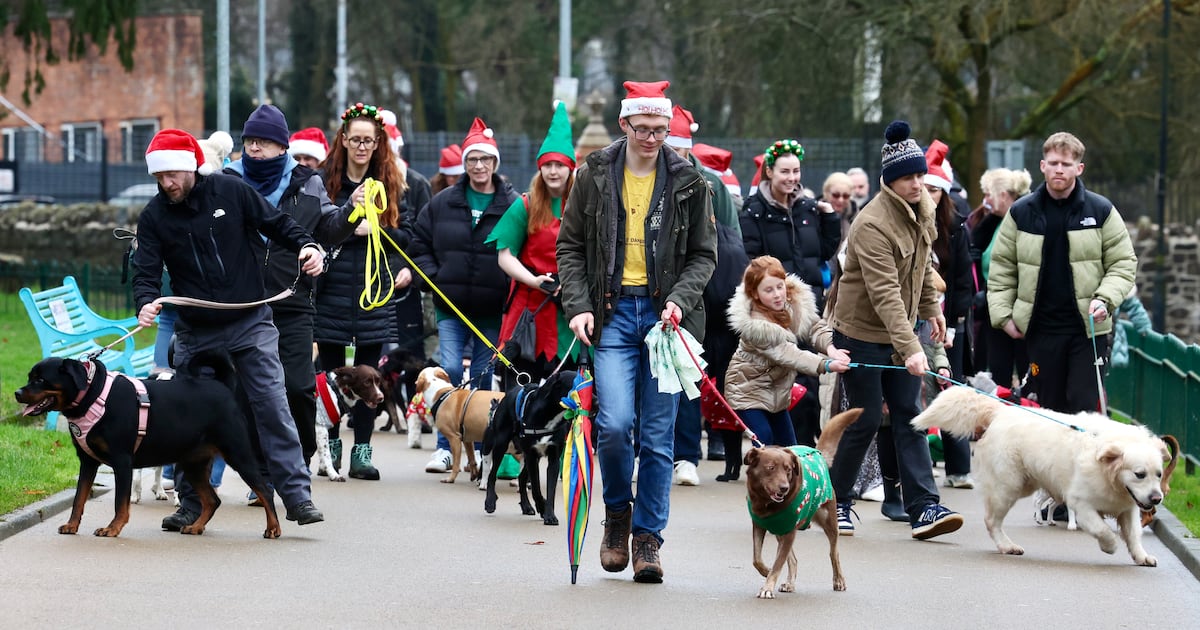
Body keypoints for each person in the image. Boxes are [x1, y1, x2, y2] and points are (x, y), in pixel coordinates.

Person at [556, 80, 717, 583]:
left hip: (667, 321)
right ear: (624, 125)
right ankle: (617, 515)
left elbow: (703, 255)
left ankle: (648, 539)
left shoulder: (690, 180)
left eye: (660, 129)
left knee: (657, 435)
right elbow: (570, 248)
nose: (651, 138)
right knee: (614, 423)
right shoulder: (595, 174)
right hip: (612, 315)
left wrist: (678, 300)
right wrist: (578, 306)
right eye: (642, 128)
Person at [131, 128, 326, 529]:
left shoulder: (230, 191)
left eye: (173, 174)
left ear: (191, 168)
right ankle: (190, 502)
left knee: (272, 405)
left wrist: (308, 246)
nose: (167, 183)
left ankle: (296, 496)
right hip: (196, 331)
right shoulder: (153, 217)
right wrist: (145, 302)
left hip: (250, 321)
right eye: (159, 176)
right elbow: (145, 271)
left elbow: (277, 224)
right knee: (188, 417)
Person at [826, 120, 963, 541]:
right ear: (889, 180)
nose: (918, 184)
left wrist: (931, 311)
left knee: (911, 417)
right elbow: (884, 293)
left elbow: (919, 272)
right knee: (865, 420)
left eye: (921, 176)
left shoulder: (923, 211)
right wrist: (911, 348)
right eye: (908, 177)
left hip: (901, 331)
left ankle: (923, 507)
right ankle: (837, 502)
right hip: (862, 333)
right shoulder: (872, 224)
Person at [223, 104, 359, 479]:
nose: (255, 148)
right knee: (244, 393)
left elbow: (329, 229)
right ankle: (260, 469)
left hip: (294, 302)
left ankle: (297, 458)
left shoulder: (308, 182)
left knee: (299, 389)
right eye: (250, 140)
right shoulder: (227, 180)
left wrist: (352, 211)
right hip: (241, 305)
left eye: (264, 142)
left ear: (282, 147)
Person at [987, 131, 1137, 414]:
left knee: (1083, 407)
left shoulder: (1101, 210)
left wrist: (1104, 299)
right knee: (1045, 411)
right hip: (1039, 331)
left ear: (1079, 168)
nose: (1059, 169)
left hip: (1087, 331)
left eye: (1066, 164)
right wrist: (1003, 316)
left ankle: (1083, 460)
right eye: (1053, 162)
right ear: (1042, 166)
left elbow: (1124, 263)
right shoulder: (1021, 212)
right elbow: (1001, 268)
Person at [410, 117, 516, 474]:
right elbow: (418, 242)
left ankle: (483, 449)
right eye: (472, 160)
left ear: (495, 163)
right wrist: (434, 277)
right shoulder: (443, 203)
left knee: (484, 381)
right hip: (450, 304)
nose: (479, 166)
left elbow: (522, 247)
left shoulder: (512, 203)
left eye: (486, 159)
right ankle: (445, 445)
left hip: (491, 308)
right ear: (464, 164)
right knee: (451, 368)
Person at [314, 102, 409, 480]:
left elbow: (409, 234)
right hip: (333, 289)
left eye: (369, 140)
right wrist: (347, 225)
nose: (361, 147)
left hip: (375, 292)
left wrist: (380, 232)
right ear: (343, 139)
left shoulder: (393, 183)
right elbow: (317, 226)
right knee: (333, 375)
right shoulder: (323, 182)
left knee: (370, 376)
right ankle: (331, 447)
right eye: (355, 139)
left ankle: (363, 453)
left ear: (378, 142)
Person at [739, 139, 840, 448]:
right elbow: (750, 261)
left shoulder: (809, 208)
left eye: (796, 171)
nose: (792, 178)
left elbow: (823, 251)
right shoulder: (755, 212)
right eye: (785, 171)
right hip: (774, 312)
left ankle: (803, 449)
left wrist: (831, 220)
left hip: (808, 306)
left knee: (810, 381)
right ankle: (778, 453)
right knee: (783, 379)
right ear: (770, 172)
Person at [722, 256, 849, 478]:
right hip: (747, 390)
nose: (777, 294)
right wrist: (825, 364)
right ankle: (765, 487)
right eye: (768, 290)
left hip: (775, 391)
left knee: (790, 449)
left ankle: (791, 486)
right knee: (765, 441)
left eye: (780, 286)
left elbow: (814, 327)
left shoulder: (791, 303)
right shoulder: (756, 326)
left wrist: (830, 348)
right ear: (755, 294)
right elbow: (789, 354)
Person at [486, 102, 579, 384]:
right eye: (547, 165)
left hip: (570, 308)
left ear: (570, 168)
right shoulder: (525, 205)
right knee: (520, 385)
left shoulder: (583, 206)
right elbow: (505, 255)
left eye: (559, 165)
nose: (553, 172)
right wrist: (533, 280)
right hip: (529, 309)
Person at [921, 140, 975, 488]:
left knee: (952, 391)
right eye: (923, 188)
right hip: (917, 319)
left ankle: (959, 467)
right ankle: (920, 464)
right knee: (917, 392)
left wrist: (955, 323)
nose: (928, 195)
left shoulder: (956, 228)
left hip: (948, 320)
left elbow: (962, 281)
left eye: (934, 190)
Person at [970, 168, 1032, 388]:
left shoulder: (1023, 222)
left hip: (1018, 312)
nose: (985, 200)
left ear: (1003, 195)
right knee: (999, 374)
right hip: (994, 311)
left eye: (989, 194)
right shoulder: (994, 223)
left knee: (1028, 373)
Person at [664, 106, 739, 235]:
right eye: (664, 149)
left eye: (676, 150)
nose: (669, 155)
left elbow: (733, 236)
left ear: (688, 149)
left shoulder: (712, 183)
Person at [819, 172, 858, 240]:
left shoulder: (856, 217)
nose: (840, 200)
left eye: (846, 196)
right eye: (836, 195)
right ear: (826, 193)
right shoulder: (815, 216)